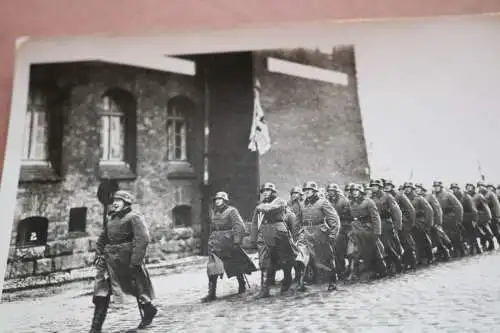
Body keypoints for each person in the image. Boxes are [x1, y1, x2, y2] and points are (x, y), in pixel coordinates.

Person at [89, 190, 157, 333]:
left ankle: (149, 309)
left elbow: (143, 239)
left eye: (118, 201)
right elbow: (103, 238)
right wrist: (98, 253)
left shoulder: (134, 217)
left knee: (135, 288)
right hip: (109, 262)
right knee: (101, 292)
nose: (115, 203)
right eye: (114, 200)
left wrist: (136, 261)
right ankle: (95, 328)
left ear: (126, 203)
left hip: (127, 260)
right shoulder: (111, 218)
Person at [202, 191, 257, 303]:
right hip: (216, 243)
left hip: (228, 242)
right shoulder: (215, 212)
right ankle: (211, 293)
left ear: (225, 200)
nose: (217, 201)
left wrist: (236, 241)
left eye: (220, 199)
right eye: (216, 199)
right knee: (212, 267)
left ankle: (242, 284)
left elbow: (239, 226)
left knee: (234, 264)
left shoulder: (231, 211)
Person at [251, 182, 298, 298]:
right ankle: (264, 289)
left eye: (268, 191)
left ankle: (287, 280)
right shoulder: (260, 206)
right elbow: (255, 222)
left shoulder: (280, 201)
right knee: (264, 261)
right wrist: (254, 238)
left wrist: (260, 207)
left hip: (279, 232)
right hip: (264, 233)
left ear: (273, 192)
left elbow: (272, 209)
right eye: (264, 191)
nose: (266, 193)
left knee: (284, 258)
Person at [294, 181, 340, 292]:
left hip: (319, 232)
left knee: (325, 258)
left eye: (310, 190)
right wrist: (297, 233)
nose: (307, 192)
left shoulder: (323, 203)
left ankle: (332, 281)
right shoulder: (302, 204)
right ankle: (301, 283)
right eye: (305, 190)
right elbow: (297, 220)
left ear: (315, 191)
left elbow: (334, 219)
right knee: (303, 258)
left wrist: (333, 234)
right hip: (305, 233)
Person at [346, 184, 387, 281]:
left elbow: (375, 217)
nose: (354, 192)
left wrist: (377, 232)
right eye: (353, 191)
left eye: (356, 190)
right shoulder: (350, 203)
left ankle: (382, 270)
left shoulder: (368, 202)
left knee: (374, 249)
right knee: (354, 250)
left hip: (367, 228)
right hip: (355, 228)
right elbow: (348, 215)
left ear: (361, 192)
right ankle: (354, 272)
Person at [370, 179, 404, 274]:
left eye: (375, 186)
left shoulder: (387, 196)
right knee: (379, 246)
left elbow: (396, 212)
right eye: (372, 186)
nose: (373, 187)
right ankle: (386, 266)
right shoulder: (370, 197)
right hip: (376, 224)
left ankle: (398, 263)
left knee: (388, 245)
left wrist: (398, 225)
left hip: (385, 223)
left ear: (380, 187)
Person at [384, 179, 417, 270]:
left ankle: (412, 262)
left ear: (392, 186)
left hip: (403, 223)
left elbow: (411, 210)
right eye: (385, 185)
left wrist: (410, 224)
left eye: (389, 185)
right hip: (391, 223)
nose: (387, 187)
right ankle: (399, 263)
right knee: (394, 244)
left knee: (405, 242)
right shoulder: (384, 196)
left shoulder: (399, 195)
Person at [404, 182, 435, 265]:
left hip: (419, 222)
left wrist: (427, 223)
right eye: (405, 187)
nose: (407, 189)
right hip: (410, 222)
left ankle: (430, 257)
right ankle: (419, 258)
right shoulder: (404, 198)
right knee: (415, 241)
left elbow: (429, 210)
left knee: (424, 239)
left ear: (412, 189)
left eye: (409, 187)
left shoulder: (419, 198)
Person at [326, 183, 353, 279]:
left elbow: (349, 216)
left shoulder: (344, 201)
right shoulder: (326, 201)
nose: (331, 193)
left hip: (342, 227)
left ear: (336, 192)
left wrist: (338, 220)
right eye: (329, 191)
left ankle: (341, 271)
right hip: (330, 227)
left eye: (332, 191)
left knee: (339, 251)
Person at [433, 181, 465, 257]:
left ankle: (460, 251)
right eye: (435, 186)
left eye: (438, 186)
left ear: (441, 187)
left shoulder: (448, 195)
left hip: (451, 218)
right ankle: (450, 250)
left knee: (455, 236)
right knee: (445, 237)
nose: (436, 188)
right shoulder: (434, 196)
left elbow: (459, 207)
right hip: (442, 219)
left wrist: (458, 219)